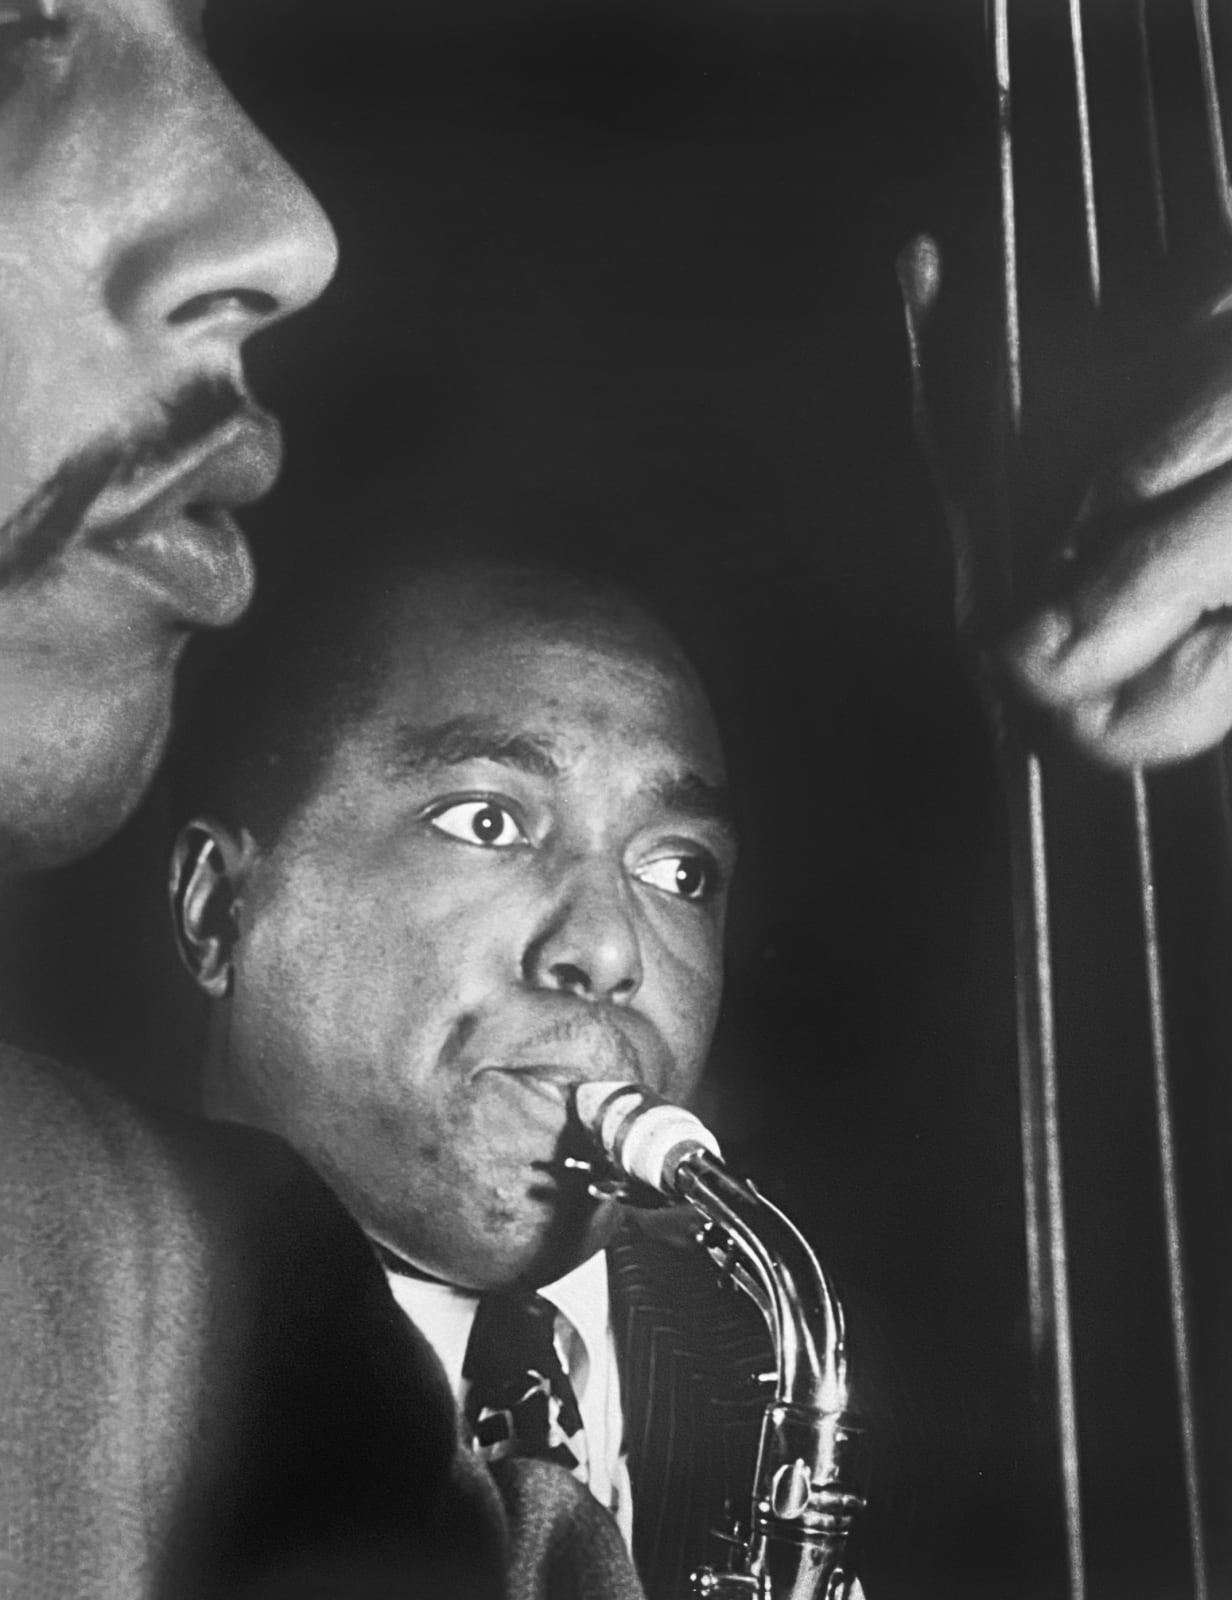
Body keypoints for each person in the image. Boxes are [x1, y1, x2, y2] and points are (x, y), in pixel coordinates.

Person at [0, 7, 639, 1596]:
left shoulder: (186, 1294)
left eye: (683, 866)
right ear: (215, 906)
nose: (286, 229)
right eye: (14, 29)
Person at [166, 530, 803, 1600]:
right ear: (221, 909)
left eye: (677, 869)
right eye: (487, 820)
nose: (607, 951)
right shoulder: (58, 1366)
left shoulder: (844, 1389)